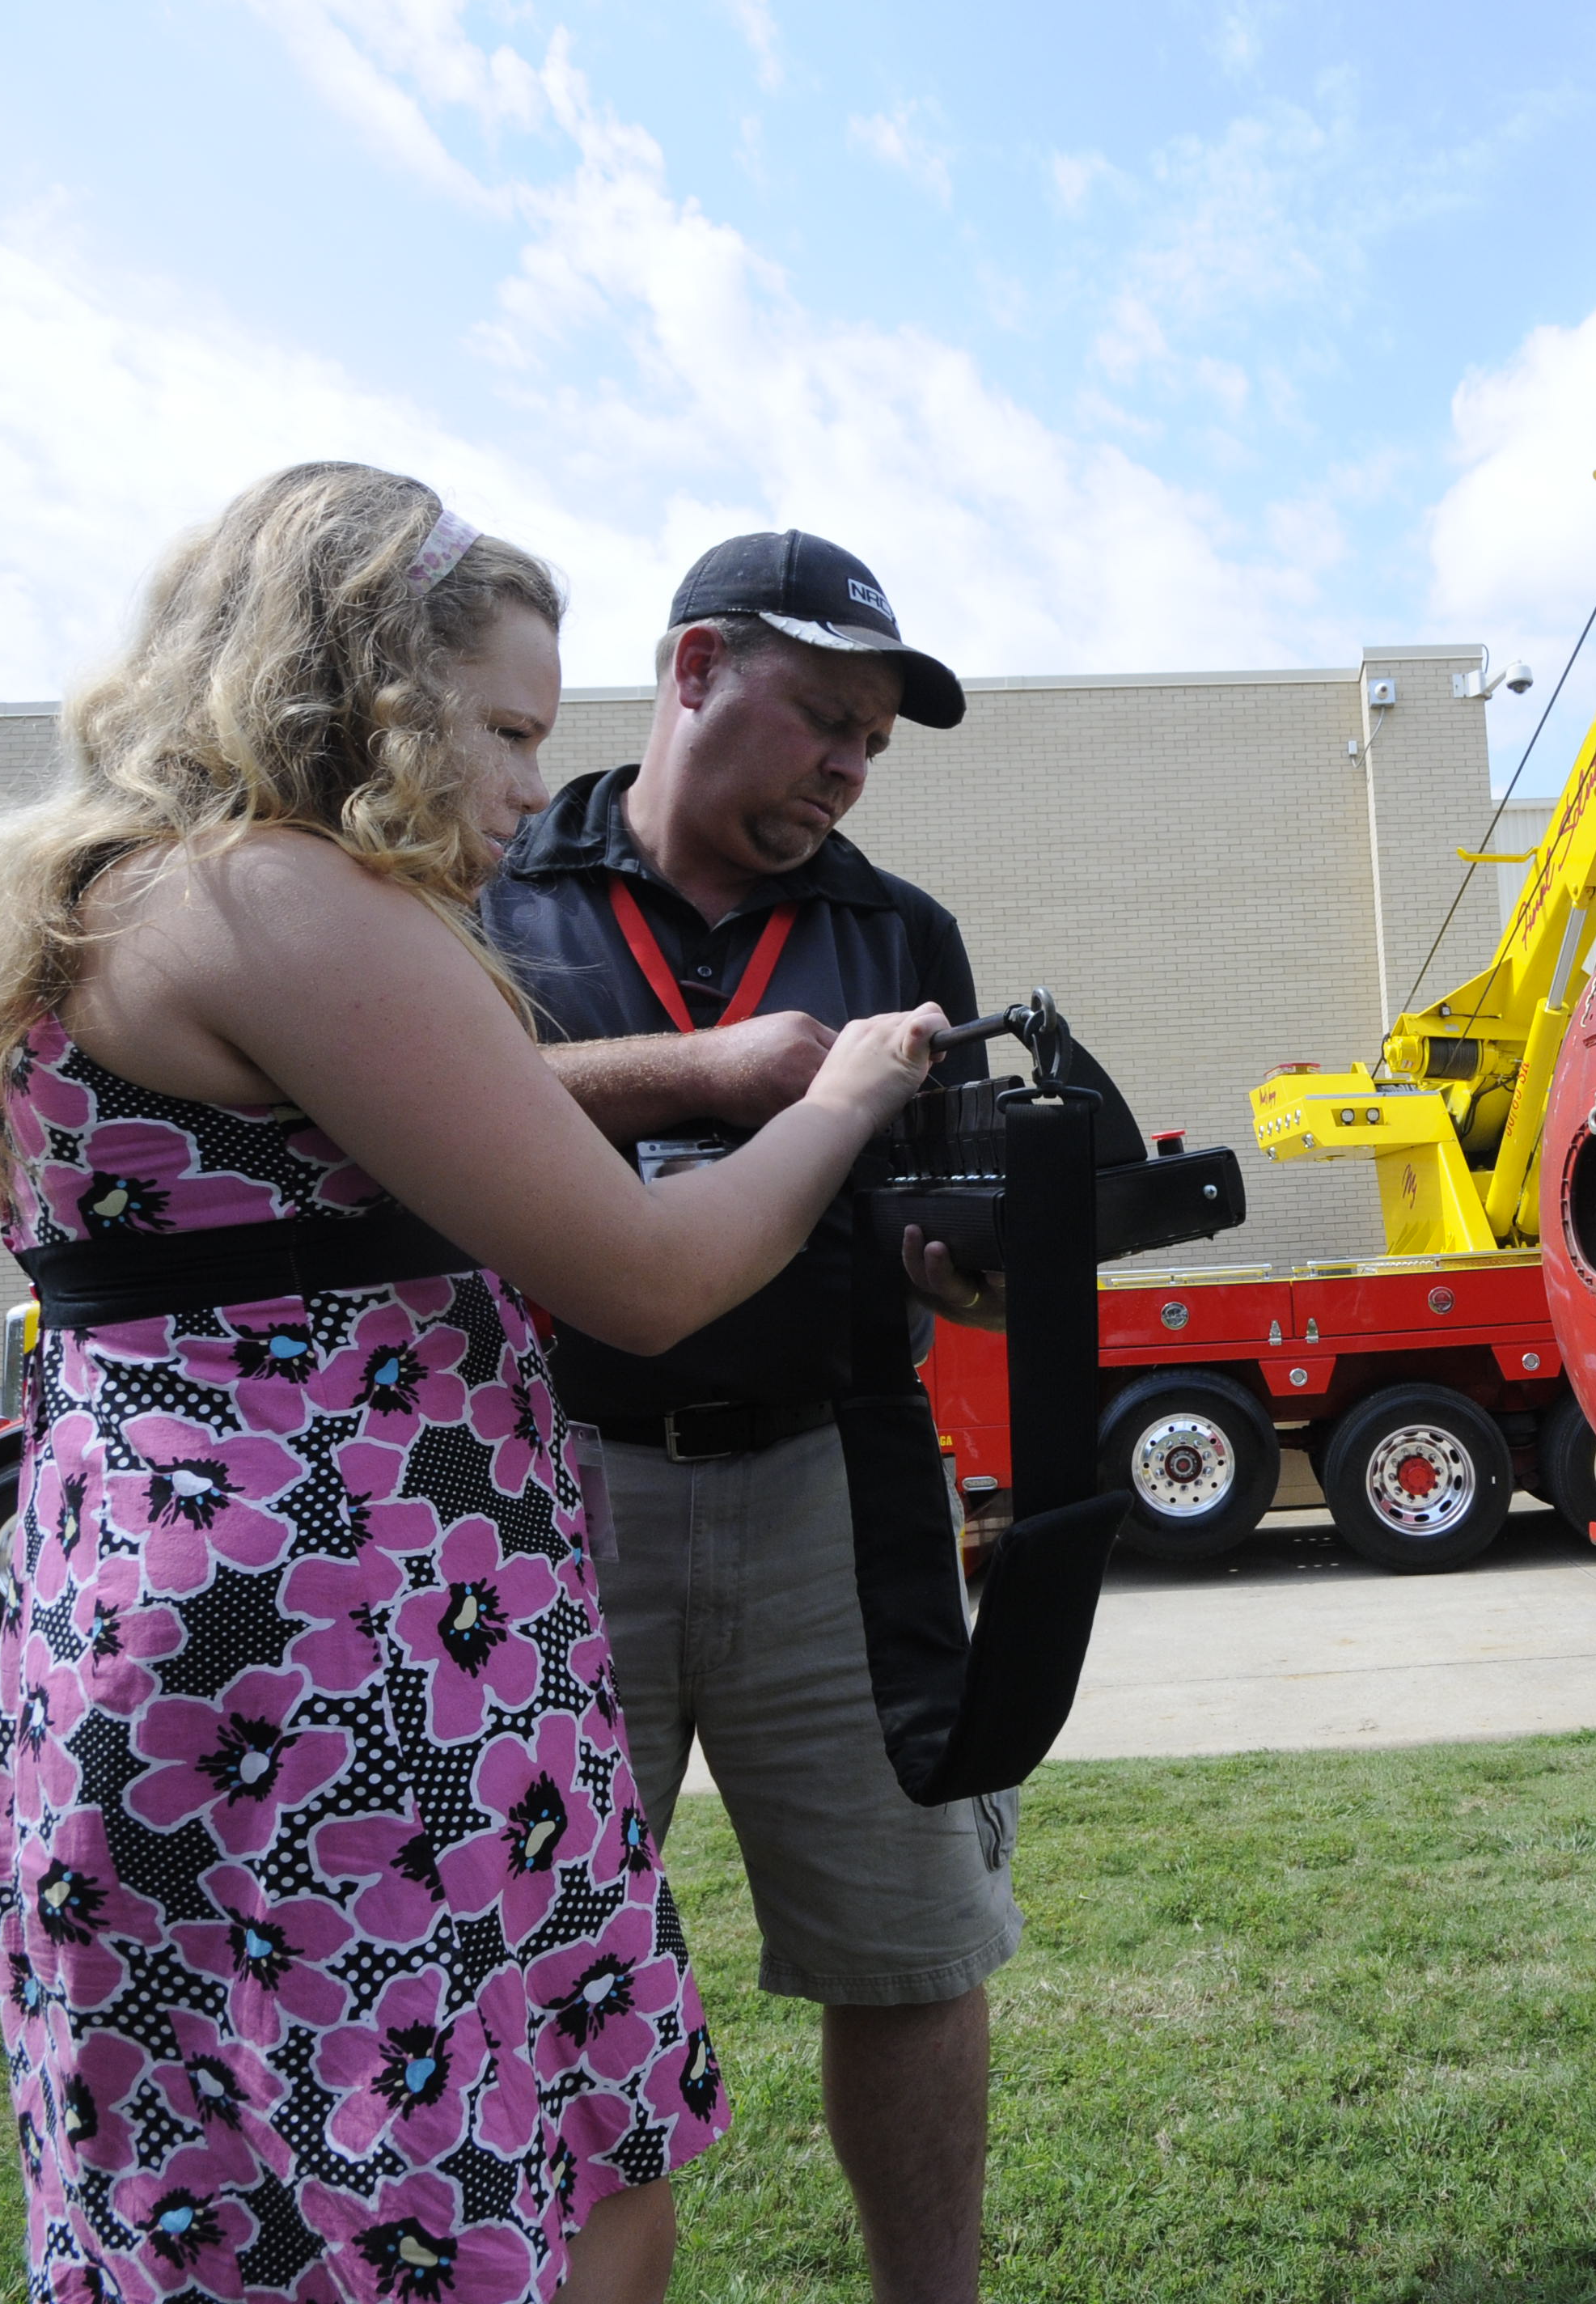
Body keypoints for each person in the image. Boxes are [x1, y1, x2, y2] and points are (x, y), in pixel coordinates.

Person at [0, 464, 943, 2303]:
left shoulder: (121, 895)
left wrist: (697, 1080)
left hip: (195, 1643)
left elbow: (382, 1145)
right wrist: (850, 1089)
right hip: (349, 1673)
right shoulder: (292, 898)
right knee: (490, 2177)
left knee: (262, 2185)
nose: (526, 783)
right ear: (360, 682)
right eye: (499, 726)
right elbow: (644, 1273)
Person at [477, 531, 1014, 2304]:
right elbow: (394, 1081)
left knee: (913, 1946)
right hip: (535, 1504)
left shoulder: (898, 928)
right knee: (522, 1962)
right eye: (826, 719)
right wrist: (704, 1072)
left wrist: (972, 1260)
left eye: (874, 740)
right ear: (697, 667)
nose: (851, 766)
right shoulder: (486, 879)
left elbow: (943, 1216)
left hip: (832, 1492)